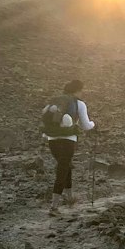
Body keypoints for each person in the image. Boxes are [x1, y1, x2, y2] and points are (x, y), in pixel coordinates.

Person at [42, 79, 96, 211]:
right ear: (77, 90)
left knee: (65, 166)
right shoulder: (79, 104)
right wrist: (94, 124)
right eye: (82, 90)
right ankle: (54, 206)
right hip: (68, 140)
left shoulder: (57, 102)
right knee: (62, 169)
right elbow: (85, 126)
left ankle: (70, 197)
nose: (83, 93)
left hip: (52, 139)